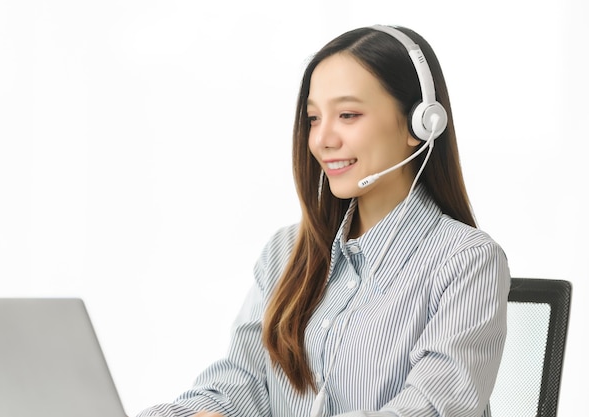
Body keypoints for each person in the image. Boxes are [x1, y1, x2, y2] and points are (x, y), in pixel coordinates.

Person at [137, 24, 510, 417]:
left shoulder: (467, 261)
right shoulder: (285, 252)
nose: (321, 139)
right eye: (314, 118)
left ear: (421, 125)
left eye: (347, 115)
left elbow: (430, 408)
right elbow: (241, 381)